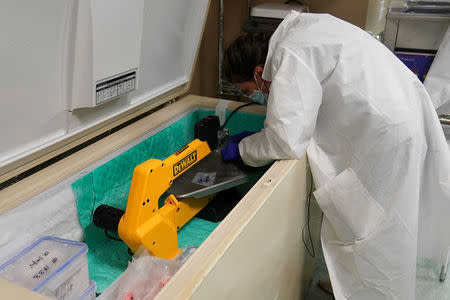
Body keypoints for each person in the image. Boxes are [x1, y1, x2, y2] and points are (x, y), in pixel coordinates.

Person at [221, 12, 450, 299]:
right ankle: (355, 286)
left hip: (386, 136)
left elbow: (285, 141)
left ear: (258, 72)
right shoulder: (299, 32)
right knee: (370, 225)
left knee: (374, 229)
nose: (252, 96)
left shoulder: (289, 56)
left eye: (247, 90)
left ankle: (370, 293)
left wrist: (242, 149)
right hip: (395, 117)